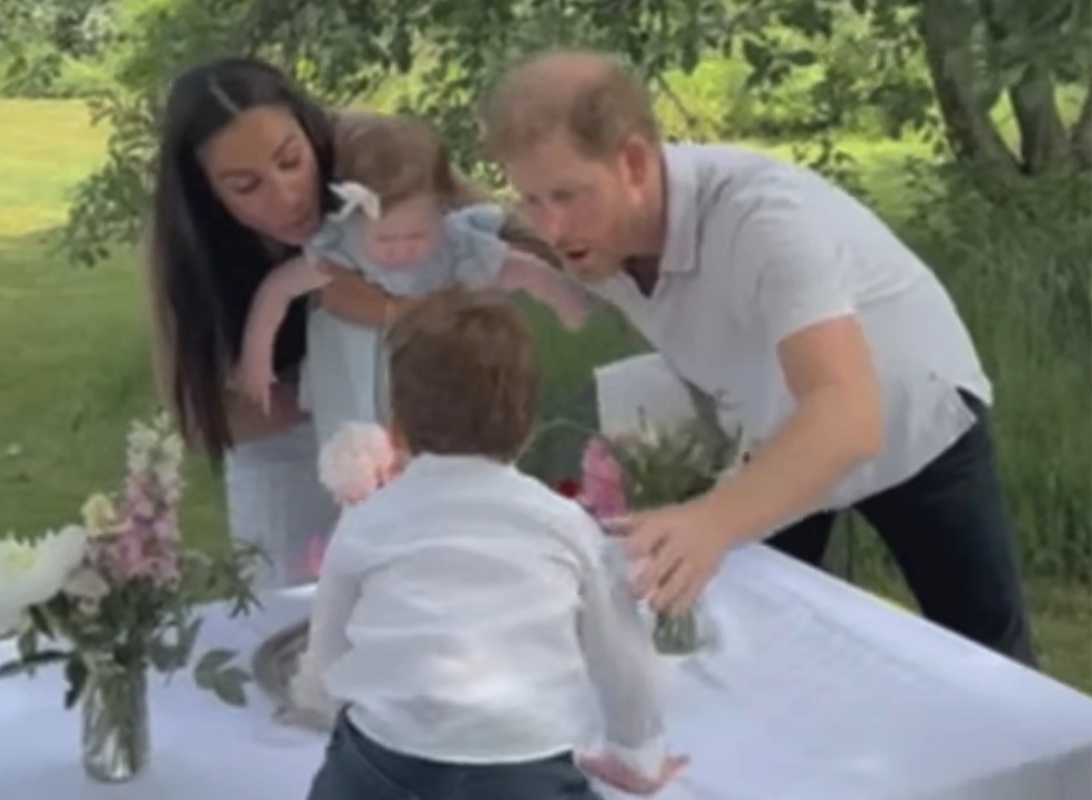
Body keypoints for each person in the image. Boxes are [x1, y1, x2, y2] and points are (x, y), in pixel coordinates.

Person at [478, 49, 1036, 666]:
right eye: (533, 200)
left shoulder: (763, 220)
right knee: (767, 629)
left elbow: (849, 416)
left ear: (635, 160)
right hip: (775, 428)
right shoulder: (595, 232)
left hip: (915, 416)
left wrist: (715, 520)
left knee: (988, 654)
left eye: (567, 195)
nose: (552, 228)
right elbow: (457, 218)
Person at [145, 57, 558, 588]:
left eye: (290, 161)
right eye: (246, 186)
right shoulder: (184, 244)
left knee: (461, 586)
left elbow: (525, 246)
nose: (287, 197)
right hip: (284, 442)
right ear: (207, 195)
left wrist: (395, 317)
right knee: (300, 616)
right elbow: (199, 416)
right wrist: (330, 404)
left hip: (426, 406)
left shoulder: (380, 157)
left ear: (310, 132)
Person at [292, 286, 685, 799]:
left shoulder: (368, 520)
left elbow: (327, 653)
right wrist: (636, 753)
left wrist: (322, 704)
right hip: (521, 766)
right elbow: (623, 658)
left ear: (397, 431)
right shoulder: (564, 525)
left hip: (383, 760)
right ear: (526, 428)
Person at [235, 114, 589, 445]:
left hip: (432, 387)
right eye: (385, 240)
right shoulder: (342, 246)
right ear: (355, 218)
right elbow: (278, 289)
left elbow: (518, 267)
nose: (401, 251)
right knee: (355, 465)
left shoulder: (452, 245)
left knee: (443, 443)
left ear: (442, 211)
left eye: (416, 236)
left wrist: (562, 297)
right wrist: (257, 355)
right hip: (352, 384)